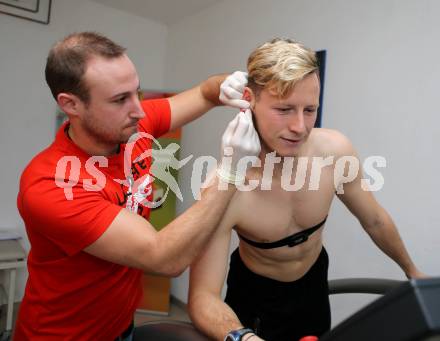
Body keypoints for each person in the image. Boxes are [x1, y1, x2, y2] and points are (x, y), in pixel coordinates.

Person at [14, 32, 260, 340]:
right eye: (120, 99)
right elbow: (164, 258)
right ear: (71, 104)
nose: (140, 110)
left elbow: (205, 93)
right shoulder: (50, 184)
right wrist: (231, 172)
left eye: (137, 92)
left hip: (120, 327)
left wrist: (228, 83)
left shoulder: (131, 126)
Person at [188, 38, 425, 341]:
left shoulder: (335, 151)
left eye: (310, 109)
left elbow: (374, 219)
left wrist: (412, 271)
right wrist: (243, 338)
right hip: (257, 295)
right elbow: (203, 298)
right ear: (249, 100)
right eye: (284, 109)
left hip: (312, 286)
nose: (300, 126)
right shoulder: (225, 186)